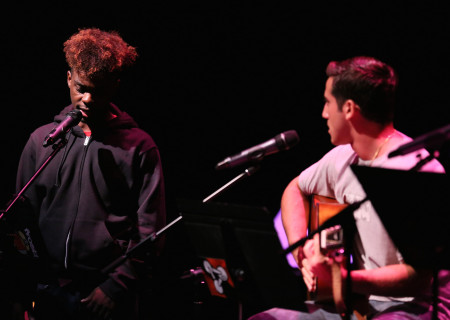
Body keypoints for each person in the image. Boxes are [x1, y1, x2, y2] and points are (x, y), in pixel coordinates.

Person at [248, 56, 447, 319]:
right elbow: (294, 190)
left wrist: (345, 279)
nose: (324, 113)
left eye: (328, 102)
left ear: (350, 109)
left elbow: (418, 278)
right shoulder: (342, 157)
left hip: (415, 307)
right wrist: (302, 256)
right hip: (361, 302)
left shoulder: (416, 168)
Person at [6, 28, 166, 319]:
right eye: (81, 87)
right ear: (68, 78)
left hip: (103, 296)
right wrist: (27, 285)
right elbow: (22, 219)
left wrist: (117, 287)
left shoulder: (139, 148)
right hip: (47, 291)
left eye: (98, 90)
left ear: (115, 86)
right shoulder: (43, 141)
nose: (88, 98)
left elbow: (151, 232)